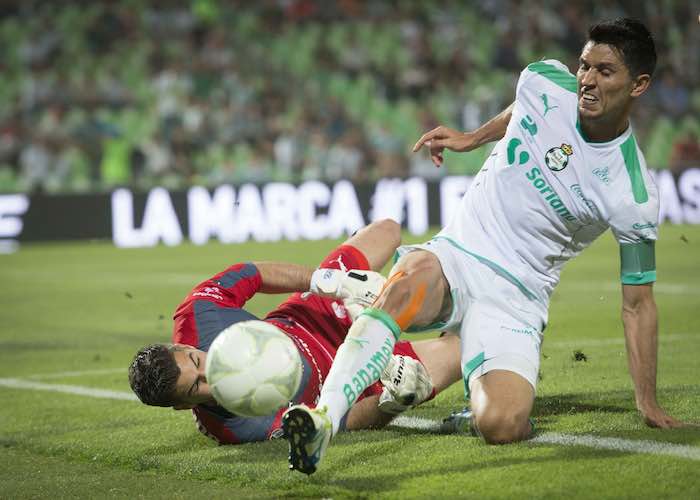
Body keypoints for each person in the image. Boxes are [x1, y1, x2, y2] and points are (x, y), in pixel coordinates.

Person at [282, 18, 687, 475]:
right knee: (406, 286)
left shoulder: (630, 192)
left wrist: (646, 401)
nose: (587, 81)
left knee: (502, 424)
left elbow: (638, 304)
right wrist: (473, 138)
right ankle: (323, 419)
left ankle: (458, 394)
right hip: (458, 253)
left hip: (516, 297)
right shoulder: (543, 79)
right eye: (584, 66)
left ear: (639, 85)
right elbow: (524, 108)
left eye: (605, 72)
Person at [128, 219, 461, 445]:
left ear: (182, 345)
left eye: (196, 360)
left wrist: (328, 283)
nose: (209, 371)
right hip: (352, 379)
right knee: (463, 349)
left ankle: (448, 285)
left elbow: (252, 274)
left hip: (311, 316)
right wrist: (390, 403)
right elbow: (342, 422)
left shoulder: (198, 316)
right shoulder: (239, 428)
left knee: (387, 230)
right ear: (186, 407)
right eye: (197, 386)